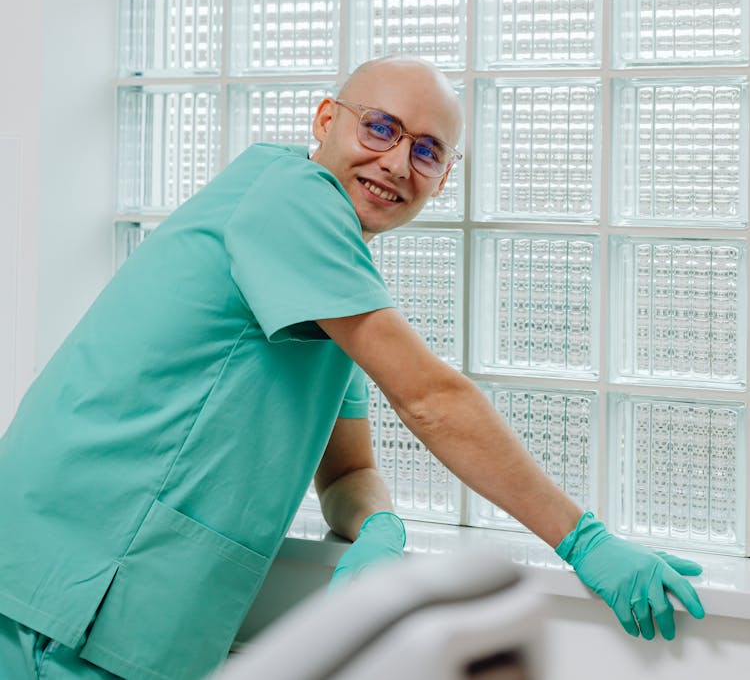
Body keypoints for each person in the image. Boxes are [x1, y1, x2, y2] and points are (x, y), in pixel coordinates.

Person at [0, 56, 704, 680]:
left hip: (106, 598)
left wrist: (380, 529)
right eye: (381, 128)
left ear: (445, 176)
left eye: (427, 150)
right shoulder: (294, 199)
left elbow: (345, 472)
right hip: (69, 587)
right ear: (326, 119)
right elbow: (429, 397)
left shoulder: (332, 275)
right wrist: (582, 539)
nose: (397, 163)